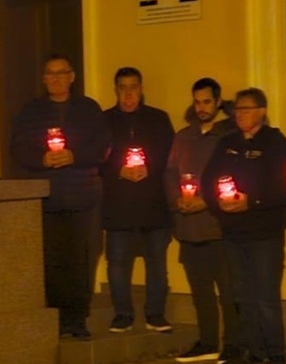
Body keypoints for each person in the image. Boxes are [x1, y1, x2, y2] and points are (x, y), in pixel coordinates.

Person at [11, 54, 110, 339]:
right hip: (46, 197)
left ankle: (77, 319)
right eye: (49, 74)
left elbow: (103, 147)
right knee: (52, 261)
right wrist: (43, 158)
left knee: (81, 260)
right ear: (43, 79)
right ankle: (54, 318)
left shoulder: (88, 109)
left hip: (82, 196)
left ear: (72, 76)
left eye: (60, 73)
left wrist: (74, 156)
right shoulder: (31, 112)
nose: (55, 79)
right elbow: (18, 148)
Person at [201, 88, 286, 364]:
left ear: (262, 111)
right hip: (233, 231)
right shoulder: (227, 143)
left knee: (266, 293)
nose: (240, 115)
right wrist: (221, 204)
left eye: (246, 109)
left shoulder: (275, 143)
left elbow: (281, 186)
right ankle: (252, 349)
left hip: (264, 231)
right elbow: (208, 180)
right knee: (242, 293)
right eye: (237, 110)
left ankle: (277, 353)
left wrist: (251, 201)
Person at [164, 78, 239, 363]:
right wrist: (177, 200)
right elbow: (171, 172)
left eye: (207, 102)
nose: (202, 107)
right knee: (200, 290)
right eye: (197, 102)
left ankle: (232, 342)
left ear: (218, 102)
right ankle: (207, 341)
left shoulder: (228, 136)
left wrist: (205, 200)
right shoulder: (184, 136)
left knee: (229, 291)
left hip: (218, 226)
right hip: (189, 226)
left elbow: (232, 176)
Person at [101, 67, 175, 333]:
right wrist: (117, 170)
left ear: (141, 89)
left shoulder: (158, 119)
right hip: (118, 204)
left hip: (153, 203)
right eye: (123, 87)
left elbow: (169, 154)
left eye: (134, 87)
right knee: (118, 262)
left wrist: (149, 167)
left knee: (156, 261)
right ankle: (122, 313)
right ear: (116, 90)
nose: (129, 93)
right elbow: (98, 158)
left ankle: (156, 313)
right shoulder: (104, 121)